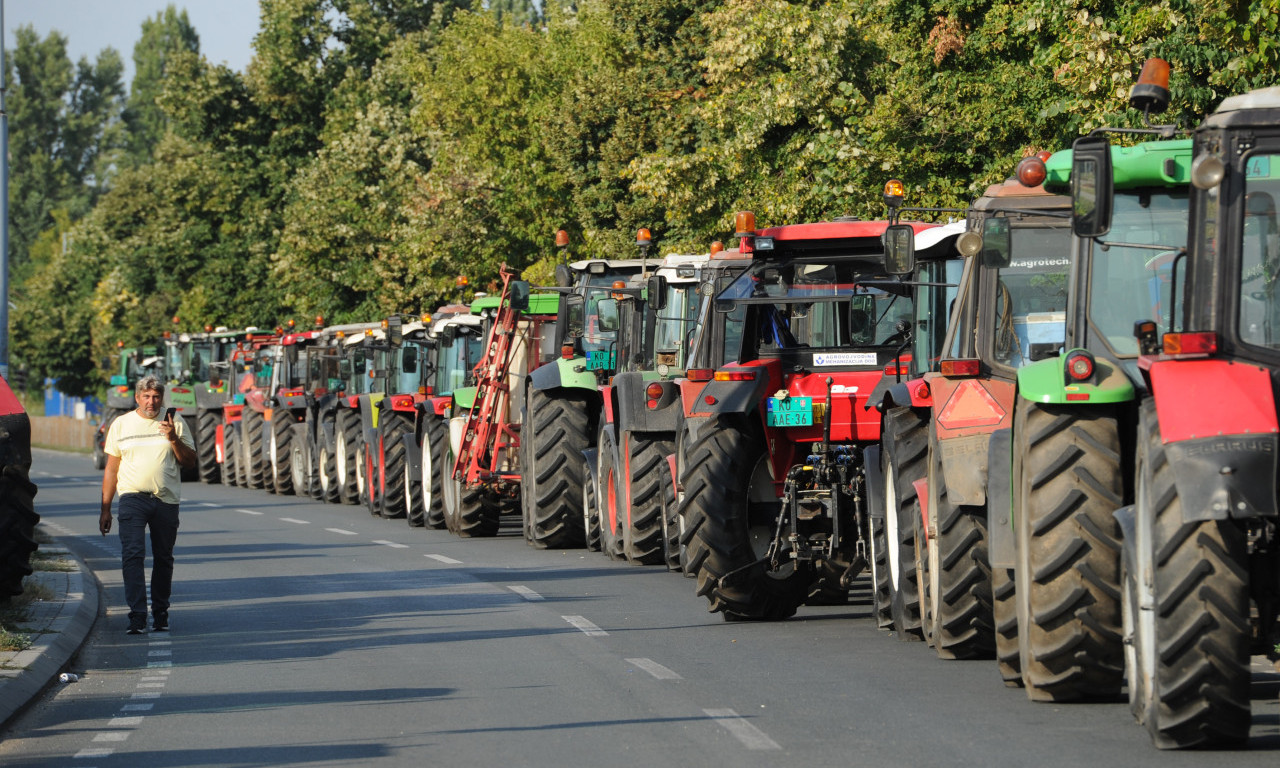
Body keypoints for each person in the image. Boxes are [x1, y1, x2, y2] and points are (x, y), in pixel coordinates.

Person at [99, 376, 197, 634]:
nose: (151, 402)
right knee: (133, 555)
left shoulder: (173, 421)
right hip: (132, 498)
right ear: (137, 398)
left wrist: (173, 438)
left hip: (166, 499)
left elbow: (190, 462)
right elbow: (111, 469)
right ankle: (137, 615)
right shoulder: (121, 424)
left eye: (156, 397)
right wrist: (106, 508)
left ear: (162, 398)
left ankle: (160, 612)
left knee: (163, 558)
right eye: (146, 397)